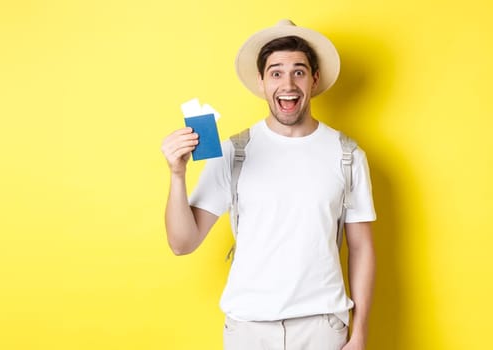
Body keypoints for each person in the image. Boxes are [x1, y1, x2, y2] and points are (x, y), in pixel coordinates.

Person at [161, 20, 376, 350]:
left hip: (322, 326)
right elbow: (182, 243)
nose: (287, 83)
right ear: (261, 82)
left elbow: (361, 248)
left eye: (299, 72)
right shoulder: (234, 151)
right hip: (248, 328)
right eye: (276, 72)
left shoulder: (347, 155)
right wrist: (177, 175)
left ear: (314, 79)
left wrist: (359, 332)